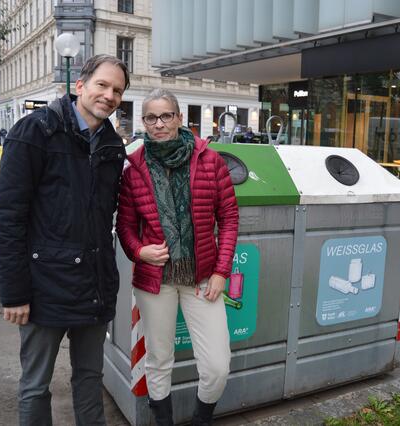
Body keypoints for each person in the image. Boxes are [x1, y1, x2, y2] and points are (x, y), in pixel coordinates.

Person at [0, 54, 129, 426]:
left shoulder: (112, 145)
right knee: (35, 385)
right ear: (80, 85)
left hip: (94, 285)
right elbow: (6, 217)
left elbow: (105, 218)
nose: (109, 95)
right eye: (102, 85)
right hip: (42, 287)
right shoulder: (35, 131)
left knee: (89, 378)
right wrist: (14, 292)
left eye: (117, 90)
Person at [116, 88, 239, 426]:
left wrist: (220, 272)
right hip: (156, 280)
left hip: (202, 277)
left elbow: (228, 219)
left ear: (179, 118)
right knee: (159, 360)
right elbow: (125, 226)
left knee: (217, 365)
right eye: (151, 118)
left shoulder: (209, 160)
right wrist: (139, 251)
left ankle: (202, 419)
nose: (159, 124)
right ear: (143, 122)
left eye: (166, 116)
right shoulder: (134, 168)